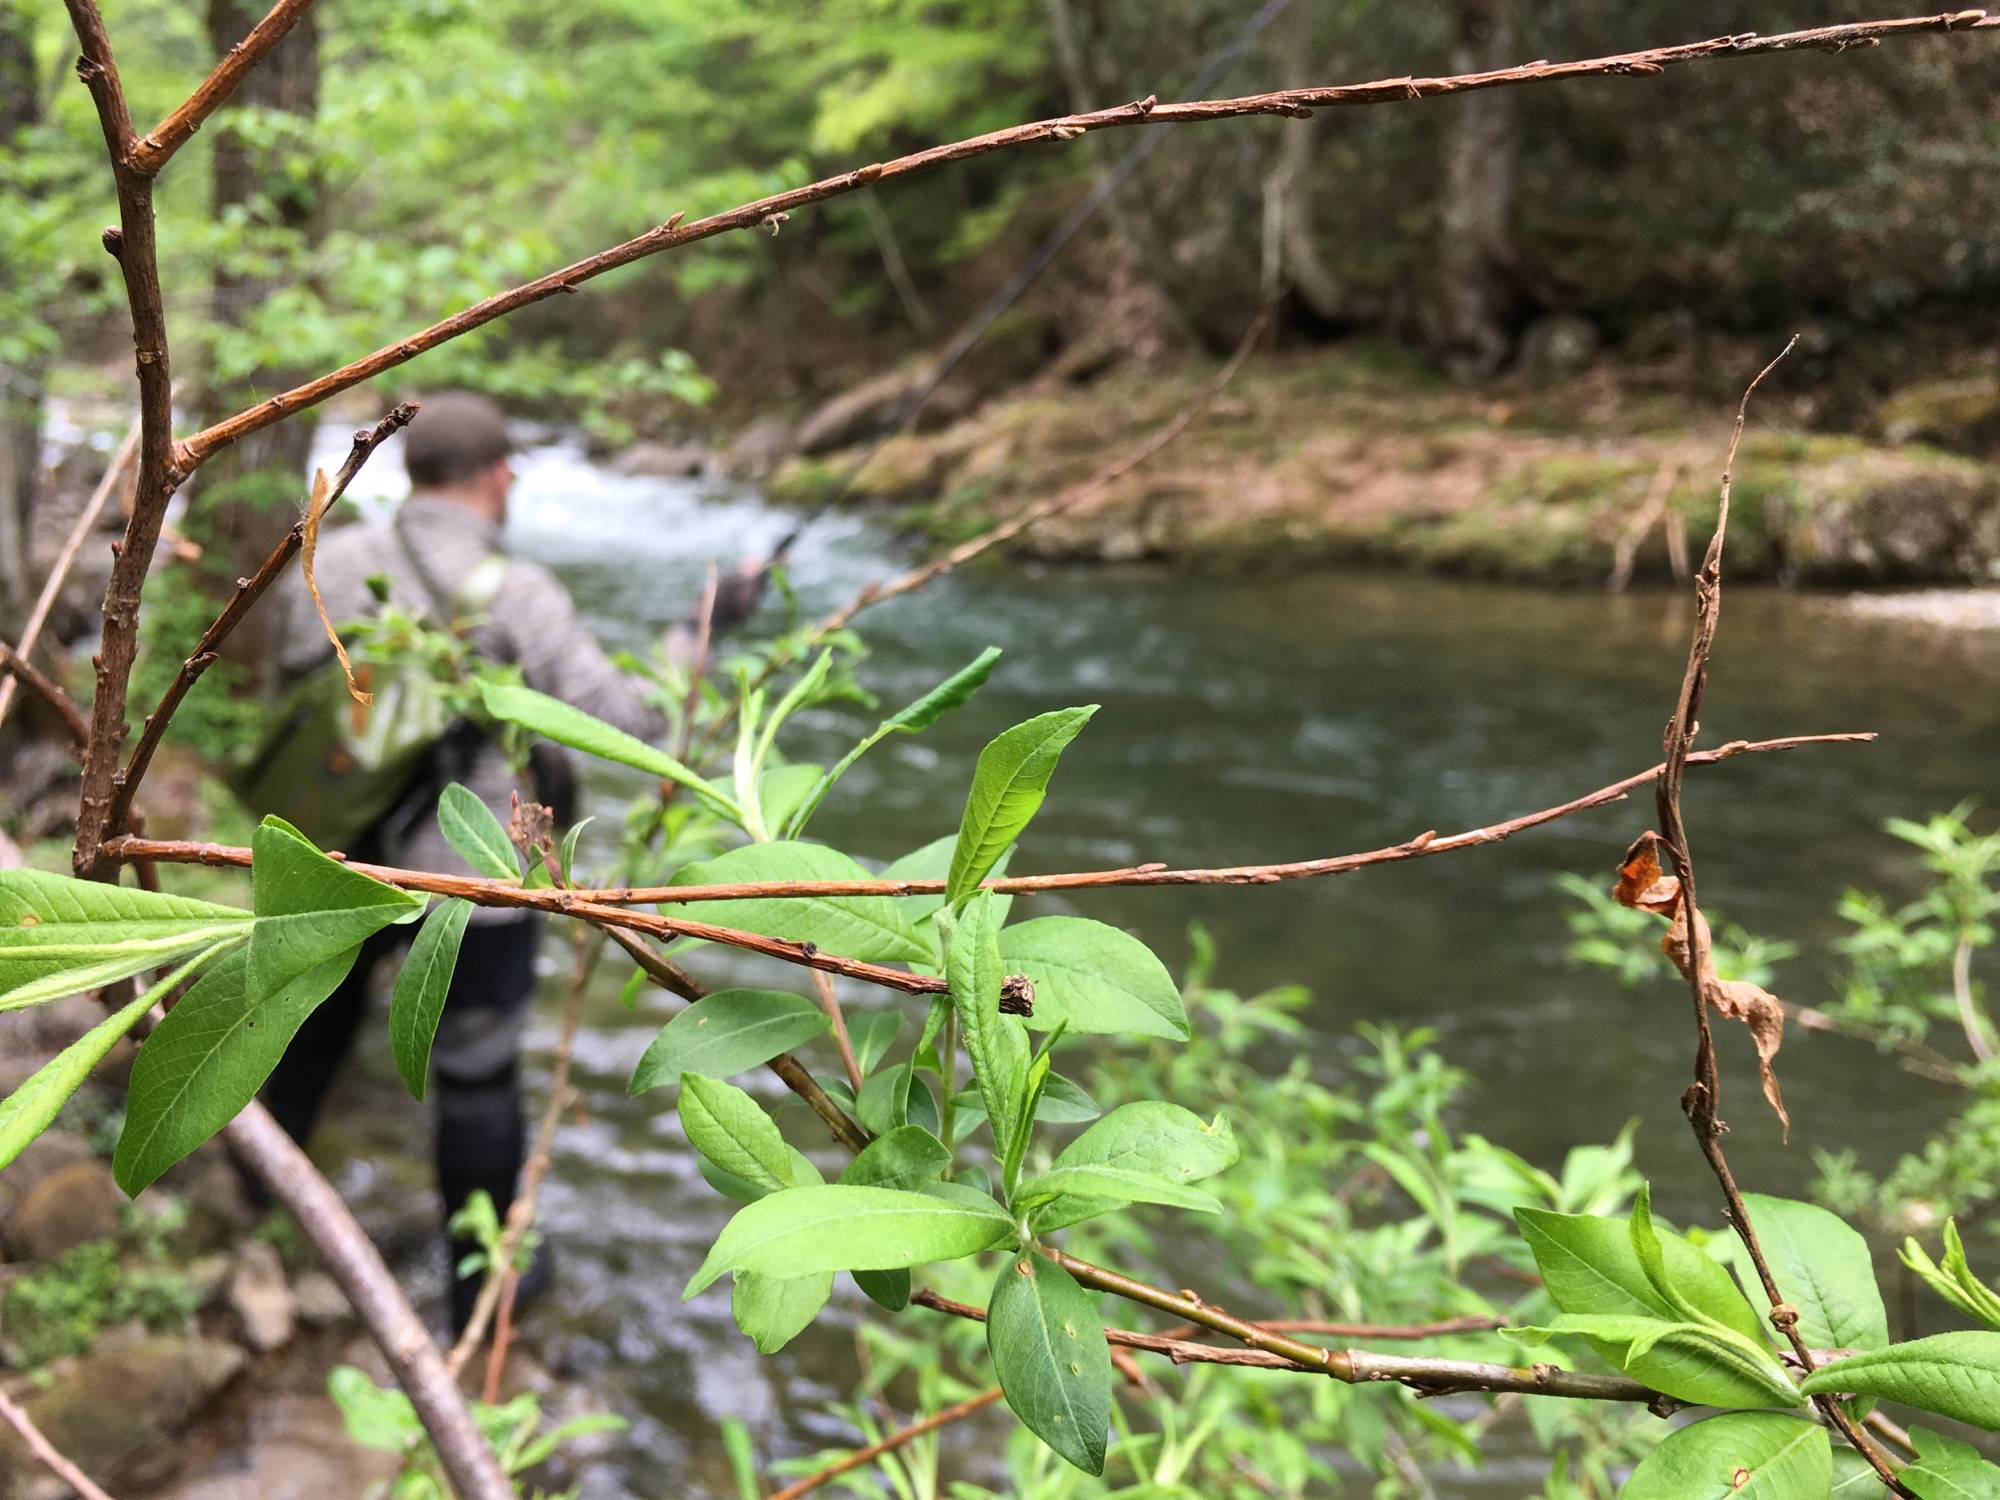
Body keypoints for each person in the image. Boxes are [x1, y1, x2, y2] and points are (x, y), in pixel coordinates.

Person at [262, 390, 756, 1334]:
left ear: (409, 472)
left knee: (310, 1030)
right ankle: (485, 1294)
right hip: (472, 875)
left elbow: (291, 688)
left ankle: (260, 1203)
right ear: (500, 478)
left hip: (334, 856)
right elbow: (625, 723)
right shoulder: (514, 592)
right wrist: (706, 622)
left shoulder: (335, 563)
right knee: (477, 1078)